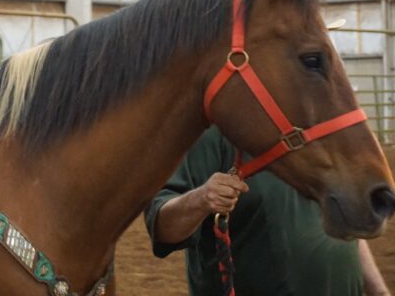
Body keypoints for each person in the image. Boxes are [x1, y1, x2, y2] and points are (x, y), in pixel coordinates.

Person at [144, 127, 391, 296]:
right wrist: (201, 198)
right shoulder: (209, 132)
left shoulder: (316, 125)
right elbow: (162, 227)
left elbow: (340, 217)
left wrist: (378, 290)